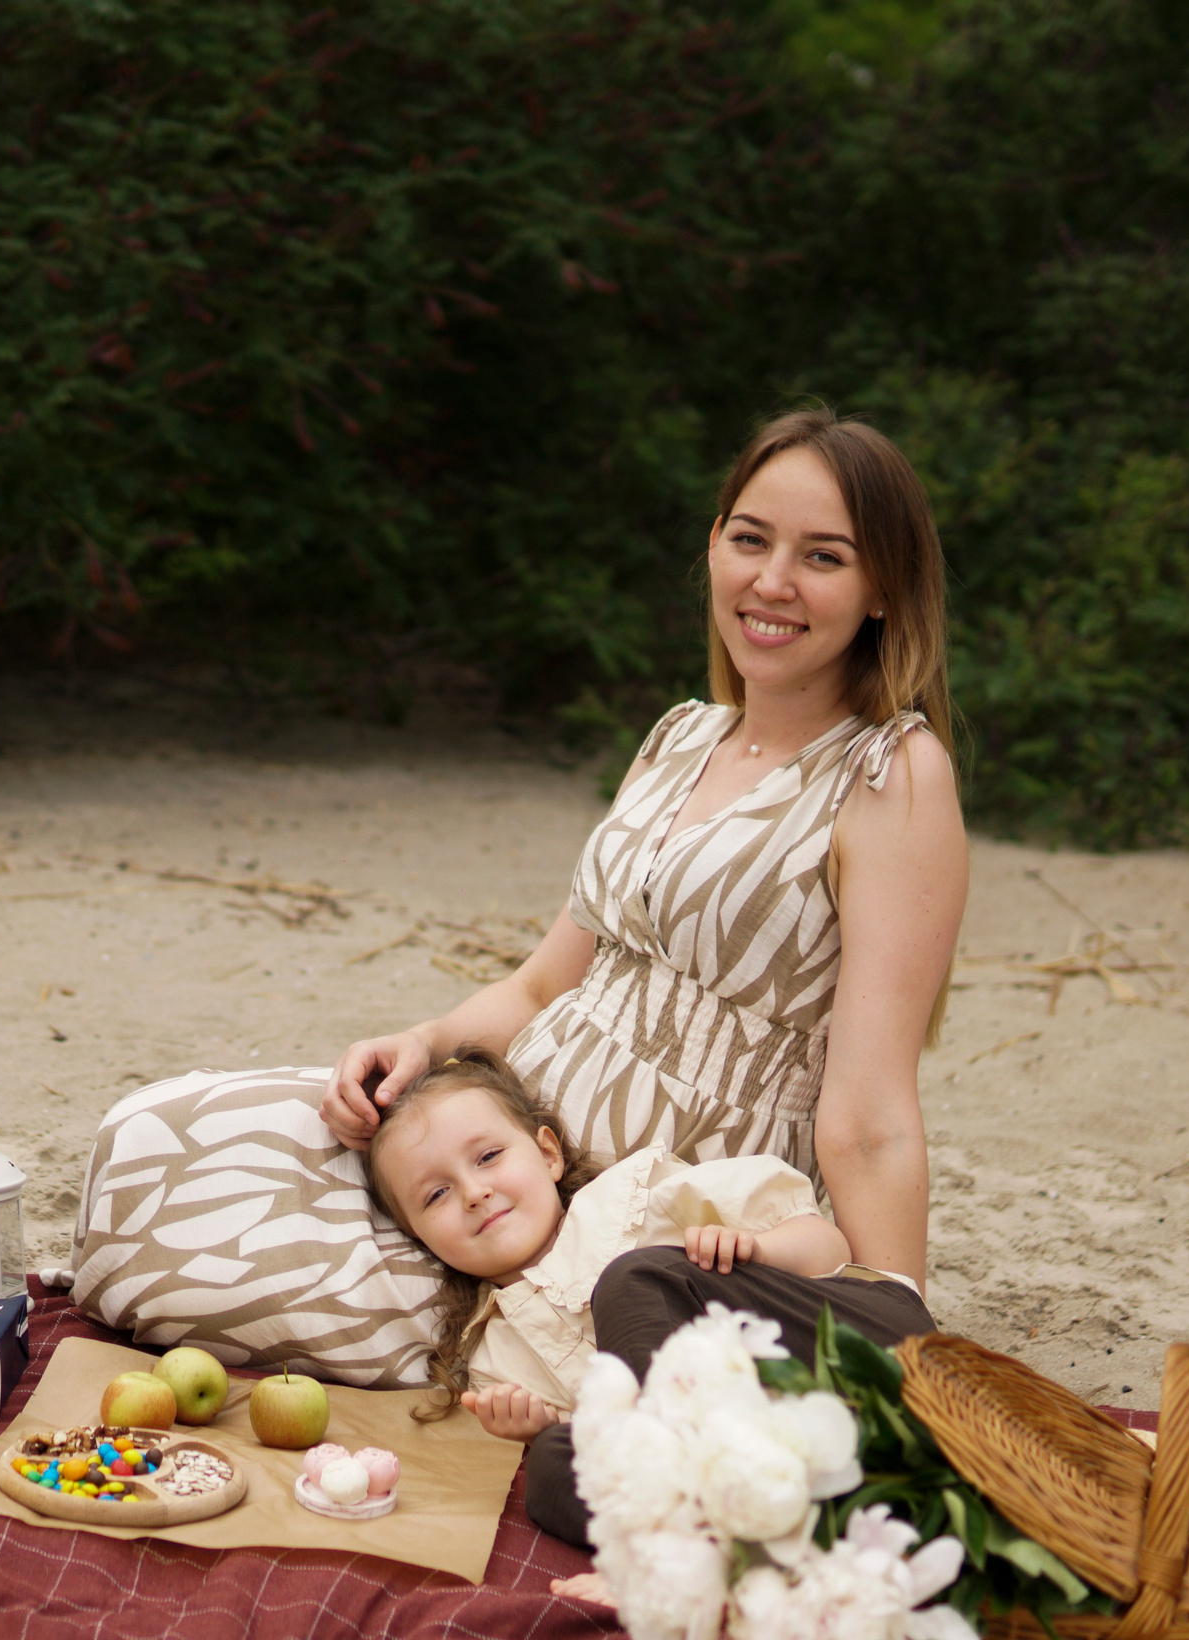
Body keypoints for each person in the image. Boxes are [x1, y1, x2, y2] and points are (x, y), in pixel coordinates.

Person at [319, 408, 969, 1547]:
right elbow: (535, 992)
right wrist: (423, 1045)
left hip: (675, 1229)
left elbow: (868, 1113)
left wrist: (890, 1320)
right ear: (712, 544)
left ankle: (700, 1434)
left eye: (823, 556)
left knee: (593, 1397)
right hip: (516, 1173)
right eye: (748, 539)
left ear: (882, 590)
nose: (773, 581)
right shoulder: (678, 735)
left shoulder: (891, 774)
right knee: (238, 1142)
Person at [361, 1049, 849, 1441]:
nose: (474, 1193)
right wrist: (540, 1433)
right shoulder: (495, 1359)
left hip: (793, 1399)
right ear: (419, 1238)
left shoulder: (642, 1196)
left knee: (628, 1282)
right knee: (553, 1481)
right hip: (690, 1474)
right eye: (437, 1194)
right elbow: (598, 1456)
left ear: (548, 1154)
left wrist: (757, 1252)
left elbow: (830, 1249)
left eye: (488, 1156)